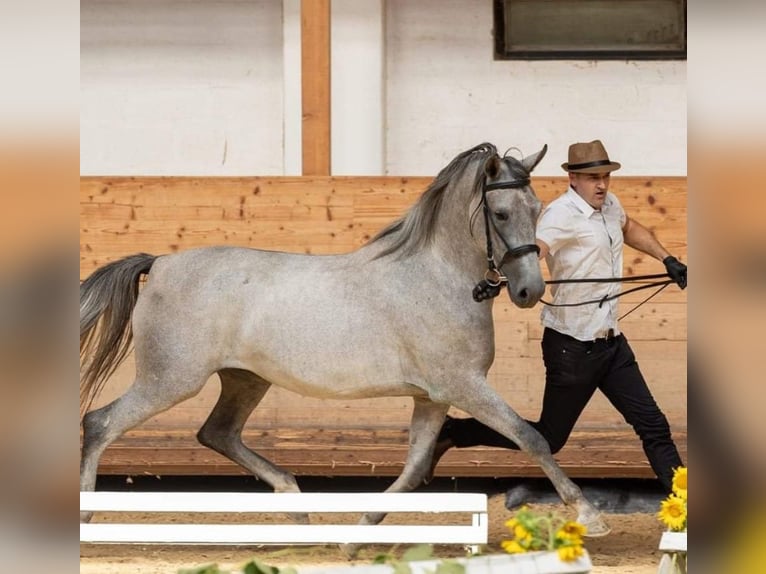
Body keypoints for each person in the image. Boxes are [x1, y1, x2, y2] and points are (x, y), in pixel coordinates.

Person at [436, 139, 686, 493]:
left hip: (611, 345)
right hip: (572, 348)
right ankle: (454, 432)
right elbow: (534, 249)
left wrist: (667, 259)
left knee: (654, 425)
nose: (601, 184)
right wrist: (501, 279)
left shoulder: (609, 206)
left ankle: (687, 511)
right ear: (572, 178)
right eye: (592, 177)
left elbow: (630, 228)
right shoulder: (559, 215)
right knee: (550, 438)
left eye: (605, 176)